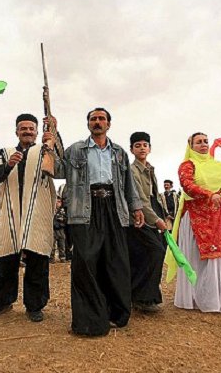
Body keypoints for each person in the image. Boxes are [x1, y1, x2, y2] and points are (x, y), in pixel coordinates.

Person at [58, 108, 144, 336]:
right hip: (84, 209)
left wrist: (135, 207)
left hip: (114, 208)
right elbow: (56, 170)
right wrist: (51, 138)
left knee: (115, 261)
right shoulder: (76, 150)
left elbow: (128, 184)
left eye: (101, 119)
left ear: (109, 124)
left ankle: (117, 313)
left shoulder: (119, 153)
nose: (97, 122)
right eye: (93, 119)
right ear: (88, 124)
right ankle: (89, 320)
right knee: (85, 262)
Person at [0, 113, 59, 323]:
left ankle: (35, 305)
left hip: (37, 210)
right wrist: (9, 165)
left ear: (37, 131)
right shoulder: (6, 151)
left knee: (37, 256)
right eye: (23, 128)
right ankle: (2, 301)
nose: (27, 131)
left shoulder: (45, 149)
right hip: (10, 211)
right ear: (16, 131)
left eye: (31, 128)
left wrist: (53, 135)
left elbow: (58, 168)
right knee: (7, 257)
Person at [173, 133, 221, 314]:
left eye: (205, 141)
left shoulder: (216, 166)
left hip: (216, 215)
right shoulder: (187, 165)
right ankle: (196, 298)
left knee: (220, 255)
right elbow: (187, 185)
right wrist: (209, 194)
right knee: (197, 256)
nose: (203, 144)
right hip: (195, 216)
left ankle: (217, 296)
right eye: (198, 142)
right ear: (190, 146)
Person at [126, 132, 167, 313]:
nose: (142, 148)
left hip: (153, 213)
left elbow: (155, 196)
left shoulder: (150, 169)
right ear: (132, 149)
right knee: (154, 252)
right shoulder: (132, 171)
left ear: (150, 148)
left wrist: (163, 215)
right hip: (139, 217)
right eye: (137, 145)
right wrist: (156, 220)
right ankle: (142, 297)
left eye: (145, 145)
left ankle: (145, 296)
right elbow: (140, 199)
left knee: (150, 254)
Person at [51, 196, 67, 263]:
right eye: (57, 201)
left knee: (62, 244)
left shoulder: (62, 211)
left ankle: (62, 257)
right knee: (52, 245)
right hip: (53, 230)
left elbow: (66, 219)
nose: (58, 203)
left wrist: (62, 221)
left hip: (61, 229)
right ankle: (51, 258)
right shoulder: (51, 210)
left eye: (59, 202)